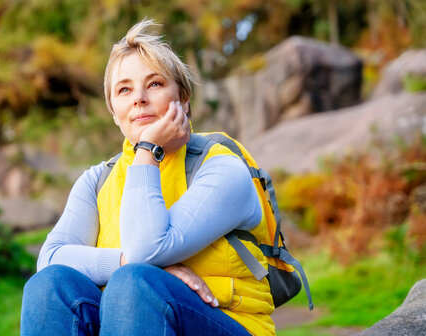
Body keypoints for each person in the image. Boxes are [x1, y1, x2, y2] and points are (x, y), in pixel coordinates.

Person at [20, 20, 276, 336]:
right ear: (114, 111)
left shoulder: (222, 167)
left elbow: (146, 250)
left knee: (135, 285)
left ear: (183, 99)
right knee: (50, 287)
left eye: (154, 84)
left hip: (231, 324)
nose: (139, 98)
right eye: (124, 89)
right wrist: (125, 261)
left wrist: (147, 150)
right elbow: (51, 258)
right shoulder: (98, 181)